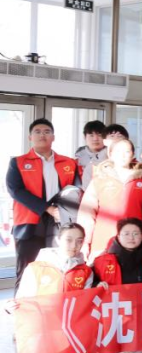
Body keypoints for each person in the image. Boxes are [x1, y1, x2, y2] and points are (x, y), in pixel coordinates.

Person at [7, 118, 82, 288]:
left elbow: (76, 191)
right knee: (27, 272)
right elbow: (15, 191)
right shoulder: (18, 162)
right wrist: (47, 208)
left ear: (53, 137)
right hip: (29, 224)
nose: (42, 135)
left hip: (60, 223)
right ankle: (22, 305)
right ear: (30, 137)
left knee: (58, 271)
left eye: (47, 132)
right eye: (38, 132)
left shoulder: (69, 163)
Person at [13, 223, 94, 353]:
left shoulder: (85, 271)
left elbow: (85, 306)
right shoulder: (36, 268)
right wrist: (11, 308)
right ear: (58, 240)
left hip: (67, 330)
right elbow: (23, 300)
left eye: (79, 241)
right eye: (68, 240)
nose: (74, 246)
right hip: (42, 329)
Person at [76, 139, 142, 262]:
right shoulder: (99, 180)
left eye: (127, 151)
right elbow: (87, 214)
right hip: (103, 241)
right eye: (118, 151)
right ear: (110, 154)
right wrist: (84, 243)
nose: (122, 155)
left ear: (133, 154)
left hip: (134, 242)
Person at [92, 218, 142, 287]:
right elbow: (89, 282)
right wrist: (97, 285)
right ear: (118, 237)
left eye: (136, 234)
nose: (131, 238)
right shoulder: (101, 262)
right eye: (126, 234)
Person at [74, 120, 108, 187]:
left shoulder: (112, 156)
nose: (95, 139)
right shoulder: (77, 160)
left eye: (99, 135)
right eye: (91, 135)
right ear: (84, 137)